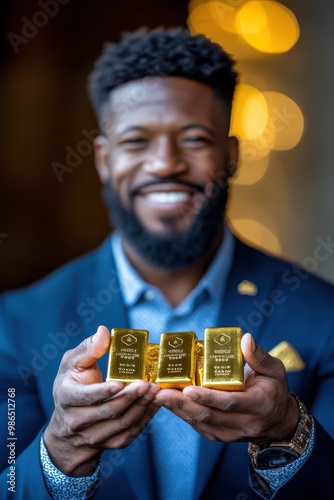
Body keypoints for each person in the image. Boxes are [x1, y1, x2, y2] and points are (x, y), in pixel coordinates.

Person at [0, 27, 334, 500]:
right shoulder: (15, 324)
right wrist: (60, 452)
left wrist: (285, 431)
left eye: (194, 139)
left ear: (231, 155)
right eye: (136, 141)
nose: (164, 163)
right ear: (103, 159)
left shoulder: (325, 317)